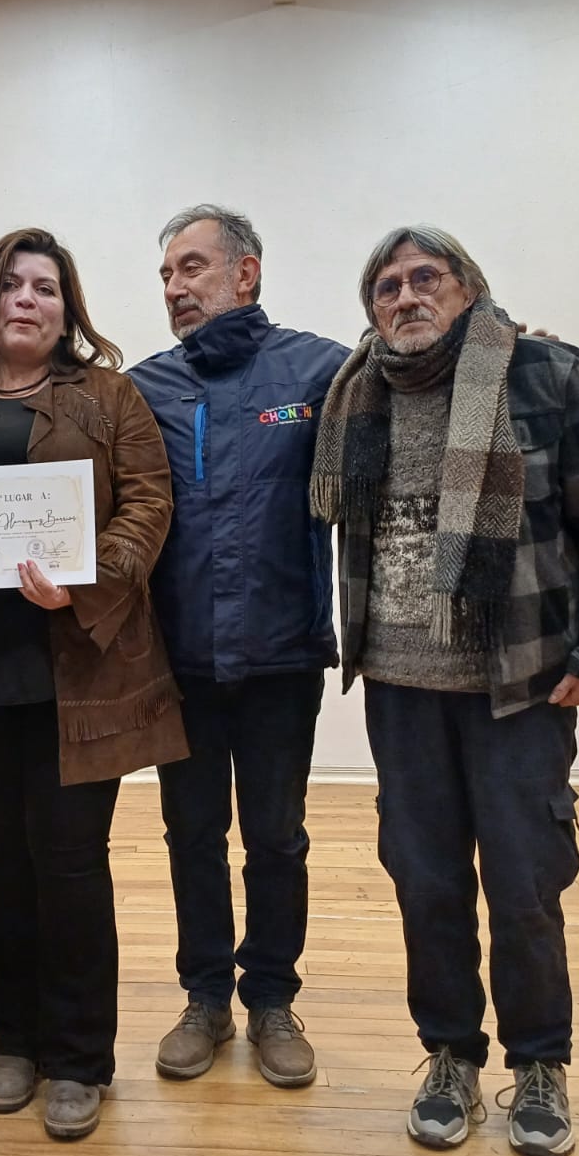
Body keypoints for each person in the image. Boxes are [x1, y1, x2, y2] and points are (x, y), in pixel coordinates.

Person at [310, 225, 579, 1156]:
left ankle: (539, 1063)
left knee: (526, 887)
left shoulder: (542, 373)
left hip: (521, 688)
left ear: (470, 290)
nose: (405, 296)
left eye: (427, 278)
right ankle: (452, 1054)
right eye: (386, 285)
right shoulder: (355, 392)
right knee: (423, 885)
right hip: (400, 689)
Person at [0, 227, 187, 1141]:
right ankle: (14, 1043)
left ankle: (78, 1058)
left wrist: (89, 575)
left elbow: (150, 502)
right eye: (14, 285)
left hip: (77, 670)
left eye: (48, 288)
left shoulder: (109, 395)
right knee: (2, 862)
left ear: (69, 308)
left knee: (69, 864)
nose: (29, 300)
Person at [126, 205, 349, 1088]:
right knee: (191, 832)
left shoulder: (323, 371)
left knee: (277, 836)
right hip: (177, 662)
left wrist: (512, 355)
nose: (177, 290)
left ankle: (272, 1000)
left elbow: (422, 385)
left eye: (192, 269)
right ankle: (206, 998)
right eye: (167, 277)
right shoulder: (143, 387)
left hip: (281, 657)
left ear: (244, 274)